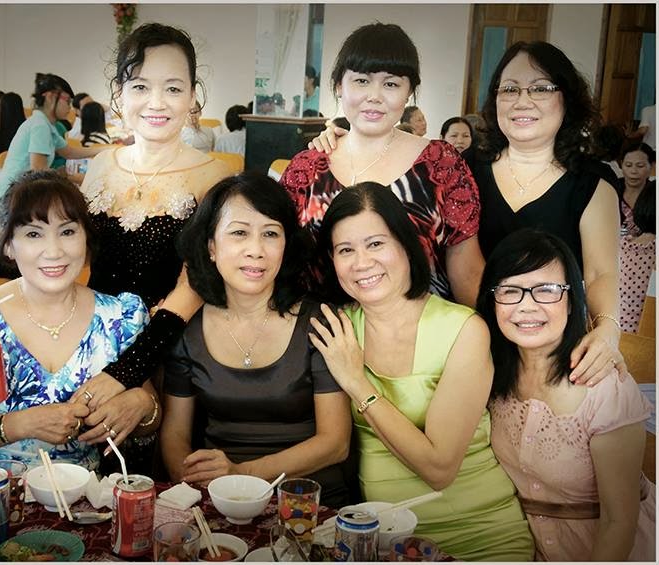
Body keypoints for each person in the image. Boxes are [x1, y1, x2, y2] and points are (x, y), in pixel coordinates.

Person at [0, 23, 231, 475]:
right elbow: (70, 242)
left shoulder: (213, 176)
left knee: (155, 481)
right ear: (119, 94)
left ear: (193, 96)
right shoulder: (103, 165)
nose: (156, 102)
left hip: (170, 354)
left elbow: (196, 283)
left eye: (173, 88)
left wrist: (126, 372)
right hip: (97, 342)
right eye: (140, 86)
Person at [309, 183, 533, 561]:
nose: (361, 262)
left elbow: (440, 468)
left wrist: (356, 383)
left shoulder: (463, 328)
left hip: (480, 533)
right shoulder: (339, 329)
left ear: (406, 244)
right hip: (381, 542)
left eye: (376, 244)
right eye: (345, 250)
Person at [0, 170, 159, 501]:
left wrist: (141, 404)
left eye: (67, 231)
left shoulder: (120, 317)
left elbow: (150, 419)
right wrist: (22, 424)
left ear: (86, 238)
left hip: (78, 502)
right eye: (34, 234)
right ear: (9, 245)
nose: (54, 251)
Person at [161, 172, 352, 506]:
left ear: (286, 246)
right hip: (218, 499)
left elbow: (335, 443)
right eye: (239, 233)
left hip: (310, 500)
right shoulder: (189, 330)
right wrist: (192, 485)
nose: (256, 250)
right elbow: (175, 433)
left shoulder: (319, 321)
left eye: (270, 234)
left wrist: (241, 475)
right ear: (211, 247)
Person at [478, 228, 655, 562]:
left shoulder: (604, 386)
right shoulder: (489, 377)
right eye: (510, 290)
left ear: (572, 300)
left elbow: (619, 523)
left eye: (546, 290)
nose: (526, 306)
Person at [289, 23, 485, 307]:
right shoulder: (307, 168)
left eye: (391, 84)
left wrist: (478, 332)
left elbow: (467, 270)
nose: (375, 96)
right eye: (361, 81)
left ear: (409, 92)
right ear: (339, 86)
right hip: (321, 327)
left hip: (419, 328)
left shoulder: (441, 165)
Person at [468, 41, 625, 385]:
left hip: (550, 349)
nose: (522, 101)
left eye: (540, 88)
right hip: (471, 341)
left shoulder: (591, 182)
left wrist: (608, 329)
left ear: (566, 99)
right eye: (510, 89)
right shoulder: (466, 169)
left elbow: (600, 272)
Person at [0, 74, 108, 259]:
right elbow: (38, 169)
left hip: (13, 194)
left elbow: (69, 152)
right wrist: (65, 175)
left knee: (7, 254)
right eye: (67, 100)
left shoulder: (46, 124)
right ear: (50, 97)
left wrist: (106, 150)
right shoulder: (40, 125)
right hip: (5, 197)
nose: (69, 107)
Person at [617, 143, 656, 332]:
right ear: (621, 165)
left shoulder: (652, 193)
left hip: (620, 321)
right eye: (628, 165)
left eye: (640, 166)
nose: (633, 171)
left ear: (652, 166)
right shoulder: (610, 190)